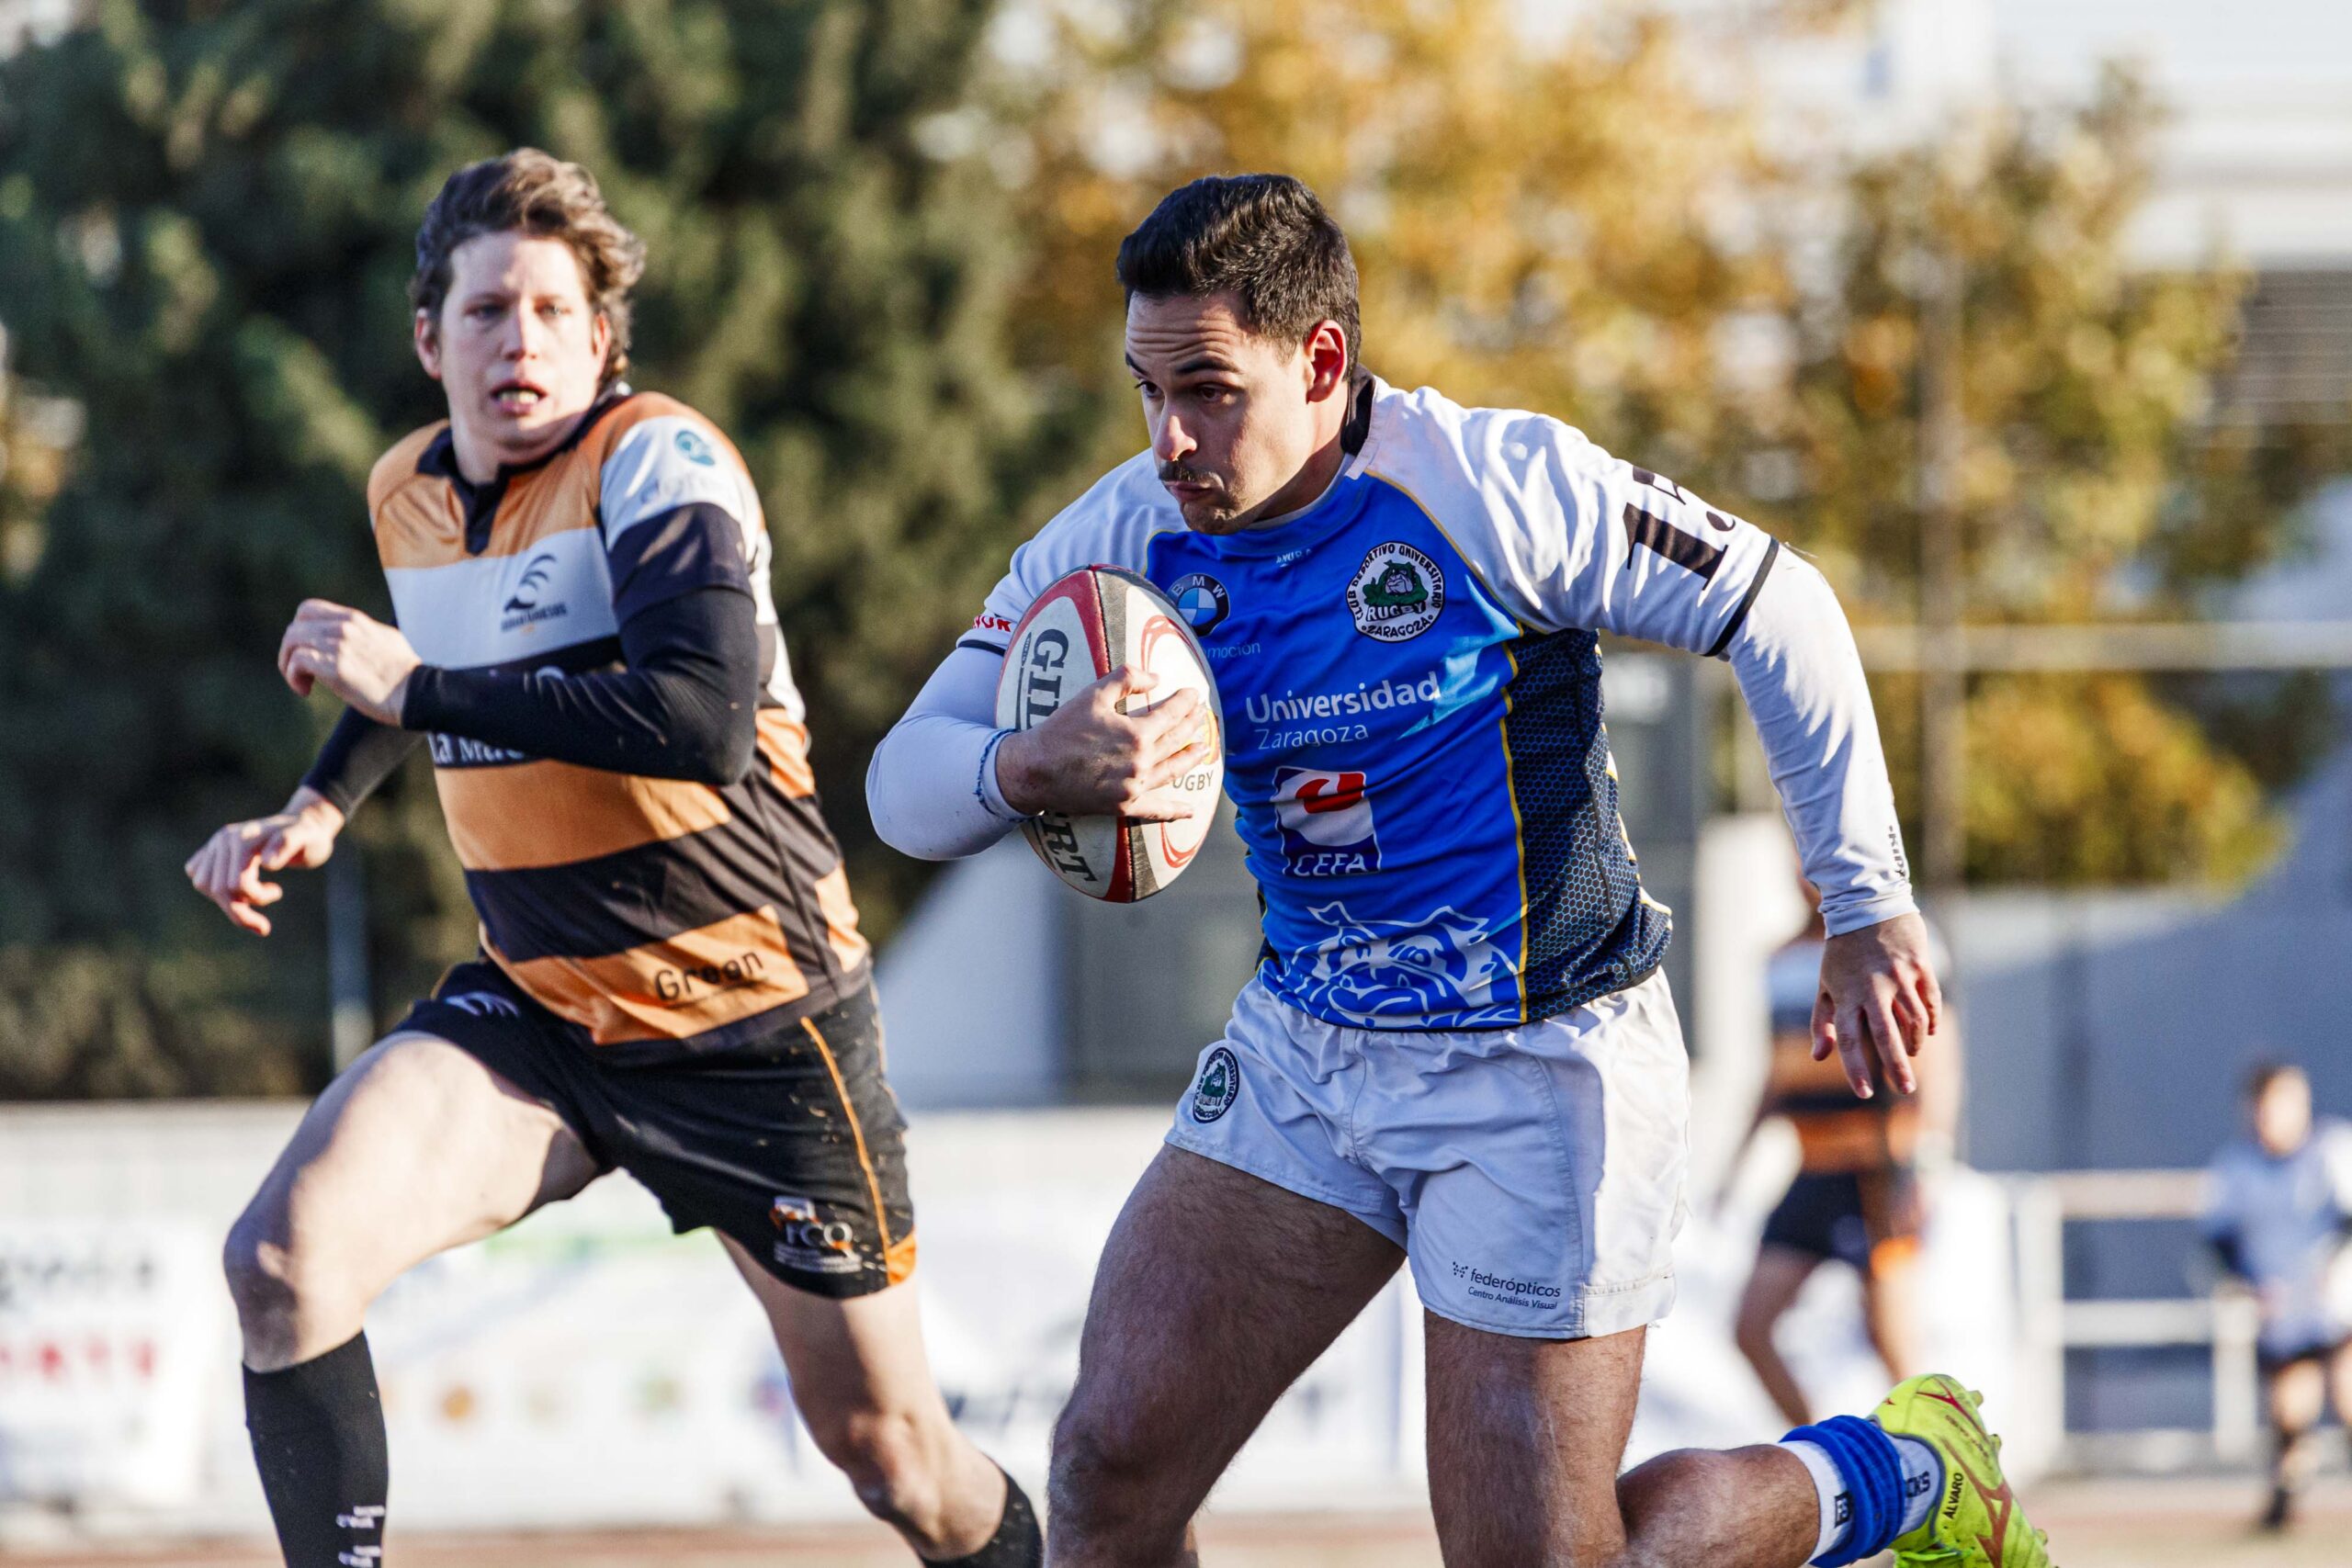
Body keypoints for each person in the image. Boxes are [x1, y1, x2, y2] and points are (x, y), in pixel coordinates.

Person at [867, 174, 2049, 1567]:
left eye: (1208, 389)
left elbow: (1775, 603)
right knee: (1109, 1471)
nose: (1171, 436)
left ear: (1321, 360)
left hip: (1544, 1060)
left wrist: (1864, 904)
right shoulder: (1131, 530)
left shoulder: (1491, 485)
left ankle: (1900, 1467)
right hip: (1311, 1047)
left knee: (1544, 1557)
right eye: (1146, 388)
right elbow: (902, 781)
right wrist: (1023, 767)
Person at [186, 151, 1036, 1568]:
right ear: (428, 338)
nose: (517, 338)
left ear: (601, 340)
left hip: (760, 1028)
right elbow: (442, 672)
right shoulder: (406, 485)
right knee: (282, 1258)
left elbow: (696, 721)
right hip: (548, 1015)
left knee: (899, 1463)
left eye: (550, 311)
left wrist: (418, 692)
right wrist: (322, 801)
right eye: (486, 310)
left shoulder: (659, 462)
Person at [1729, 888, 1958, 1427]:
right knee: (1750, 1326)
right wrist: (1734, 1166)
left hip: (1879, 1169)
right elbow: (1777, 1071)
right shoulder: (1780, 959)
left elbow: (1940, 1059)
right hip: (1810, 1169)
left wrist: (1929, 1161)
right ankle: (1822, 1456)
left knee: (1893, 1343)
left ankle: (1953, 1472)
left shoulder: (1899, 942)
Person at [2202, 1062, 2352, 1532]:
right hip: (2285, 1312)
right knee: (2291, 1410)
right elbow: (2218, 1240)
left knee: (2349, 1392)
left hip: (2339, 1303)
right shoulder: (2236, 1167)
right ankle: (2284, 1501)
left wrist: (2333, 1266)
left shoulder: (2332, 1150)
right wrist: (2251, 1285)